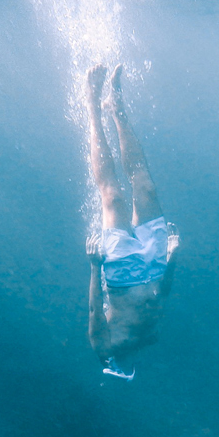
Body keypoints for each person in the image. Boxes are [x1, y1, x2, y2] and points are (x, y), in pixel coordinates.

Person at [84, 63, 179, 381]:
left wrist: (95, 266)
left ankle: (93, 106)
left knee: (112, 196)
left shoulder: (103, 346)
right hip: (155, 264)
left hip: (122, 275)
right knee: (145, 185)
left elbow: (96, 310)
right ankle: (117, 107)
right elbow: (162, 297)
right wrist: (172, 260)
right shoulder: (151, 339)